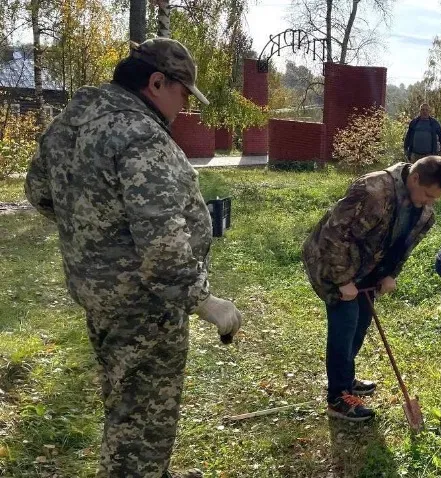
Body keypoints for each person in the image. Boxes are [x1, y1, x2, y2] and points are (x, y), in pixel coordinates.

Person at [24, 38, 242, 478]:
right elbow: (163, 246)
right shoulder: (139, 134)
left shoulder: (74, 120)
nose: (183, 107)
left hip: (99, 295)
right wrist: (204, 301)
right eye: (183, 93)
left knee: (126, 402)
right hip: (146, 305)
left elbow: (40, 192)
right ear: (156, 82)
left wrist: (97, 239)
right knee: (143, 419)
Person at [302, 156, 441, 422]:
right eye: (427, 194)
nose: (429, 202)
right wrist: (341, 280)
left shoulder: (424, 213)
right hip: (332, 263)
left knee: (361, 323)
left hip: (366, 270)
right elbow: (334, 235)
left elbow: (404, 247)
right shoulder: (372, 190)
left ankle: (346, 378)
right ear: (414, 178)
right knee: (345, 325)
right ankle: (338, 397)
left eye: (435, 199)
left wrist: (390, 274)